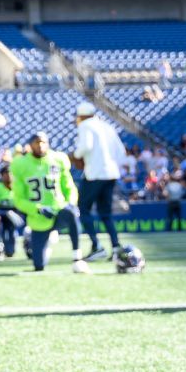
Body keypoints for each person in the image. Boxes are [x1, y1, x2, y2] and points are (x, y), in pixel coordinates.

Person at [10, 132, 81, 272]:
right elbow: (18, 199)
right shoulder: (20, 164)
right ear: (30, 145)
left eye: (43, 142)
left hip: (59, 209)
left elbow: (69, 187)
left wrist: (71, 202)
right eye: (37, 142)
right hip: (39, 218)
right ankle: (43, 241)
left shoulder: (58, 159)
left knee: (71, 212)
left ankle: (77, 258)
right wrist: (37, 209)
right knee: (39, 266)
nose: (41, 145)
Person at [72, 102, 127, 262]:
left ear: (80, 116)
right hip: (111, 173)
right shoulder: (107, 126)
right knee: (106, 213)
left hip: (94, 174)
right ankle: (116, 247)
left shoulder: (85, 126)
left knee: (84, 209)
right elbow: (121, 152)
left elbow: (84, 147)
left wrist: (76, 154)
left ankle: (97, 246)